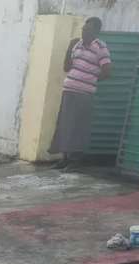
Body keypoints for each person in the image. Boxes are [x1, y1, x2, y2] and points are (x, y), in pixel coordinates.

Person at [49, 17, 112, 169]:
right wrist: (69, 48)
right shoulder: (77, 45)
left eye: (88, 29)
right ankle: (65, 159)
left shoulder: (100, 47)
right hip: (68, 91)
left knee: (78, 127)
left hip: (84, 94)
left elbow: (107, 71)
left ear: (96, 31)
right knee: (65, 126)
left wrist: (89, 80)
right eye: (83, 29)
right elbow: (66, 67)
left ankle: (75, 162)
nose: (84, 32)